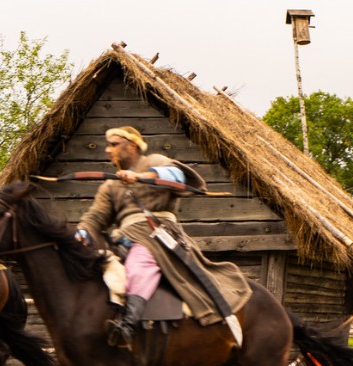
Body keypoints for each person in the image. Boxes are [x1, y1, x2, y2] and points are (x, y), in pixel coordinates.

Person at [76, 126, 250, 348]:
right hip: (123, 238)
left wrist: (139, 177)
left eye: (113, 144)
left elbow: (177, 177)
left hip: (157, 233)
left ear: (132, 145)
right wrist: (80, 232)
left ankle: (127, 327)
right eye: (107, 145)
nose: (107, 150)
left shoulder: (155, 161)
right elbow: (95, 217)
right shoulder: (110, 186)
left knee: (140, 263)